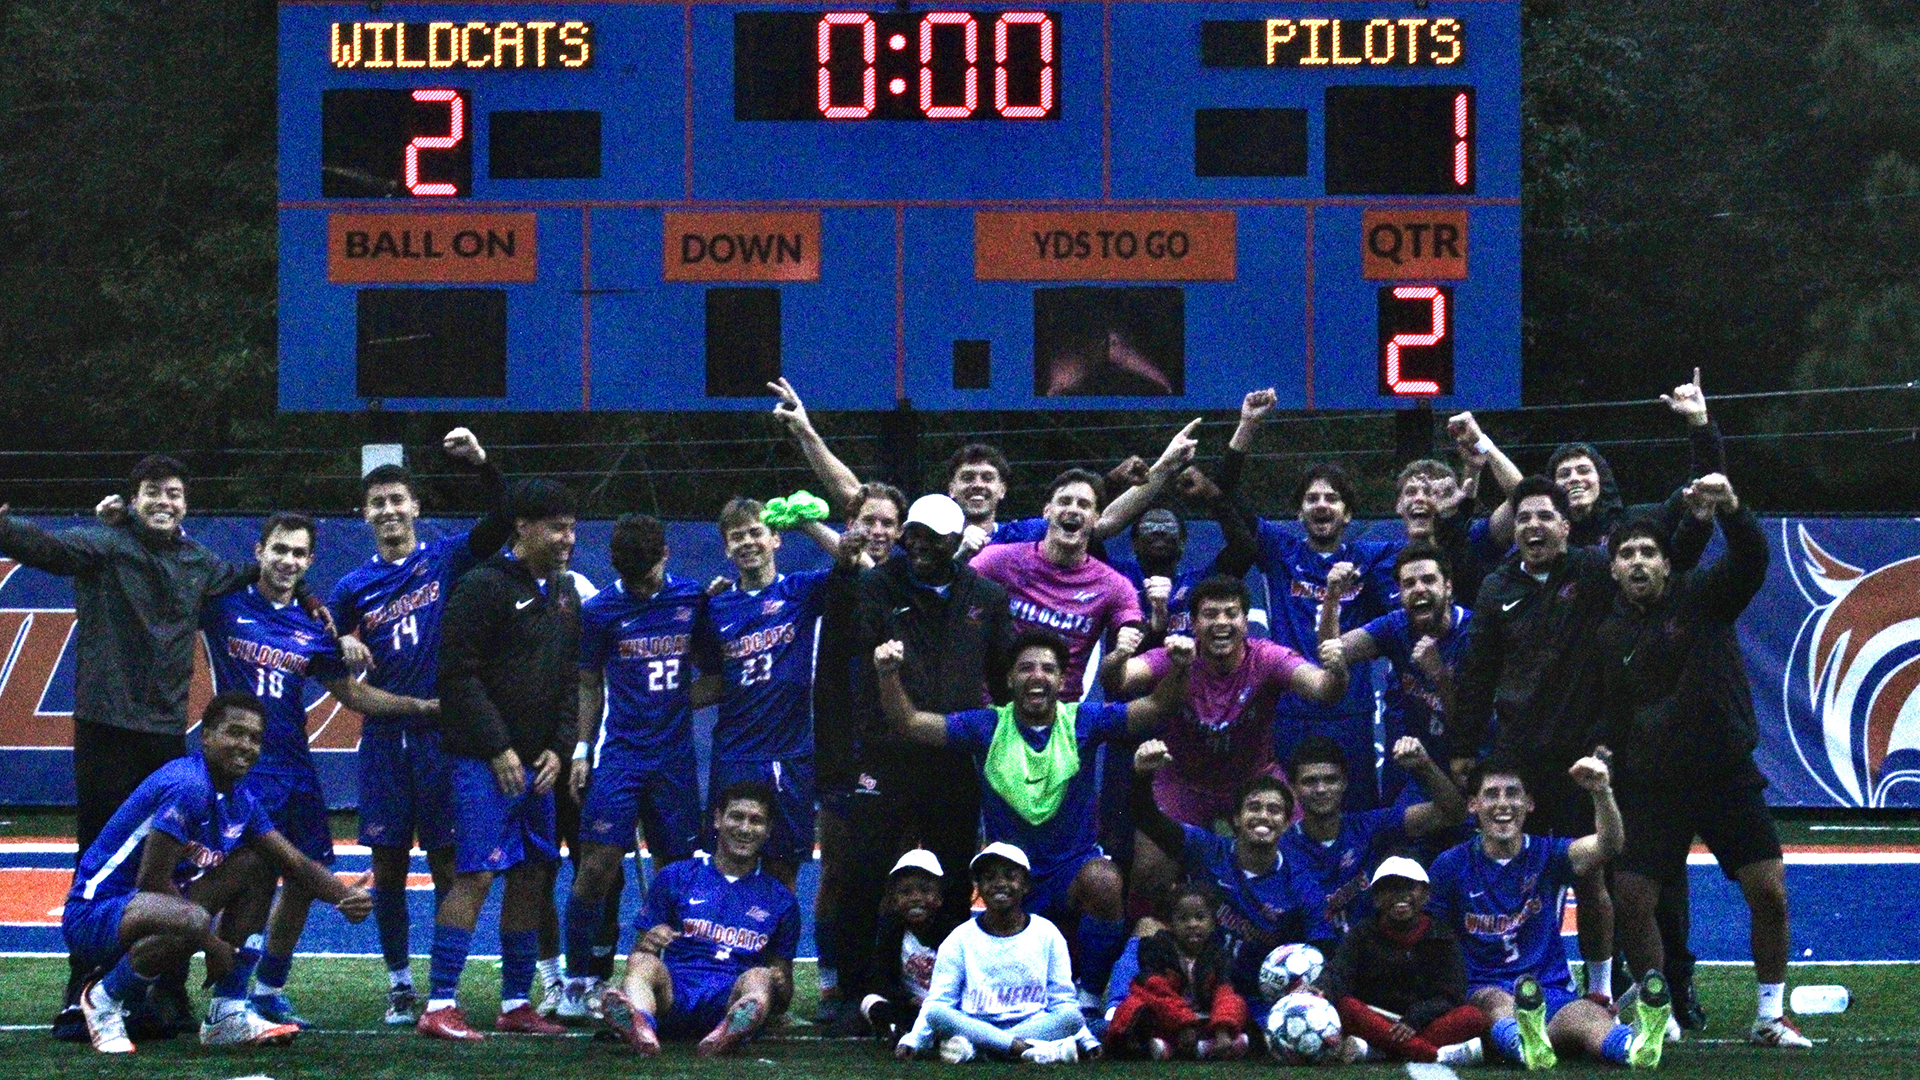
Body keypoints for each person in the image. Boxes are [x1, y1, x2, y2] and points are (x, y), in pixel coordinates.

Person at [0, 456, 288, 1036]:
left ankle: (161, 991)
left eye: (174, 493)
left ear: (187, 505)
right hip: (105, 727)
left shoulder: (199, 562)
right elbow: (46, 549)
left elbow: (257, 577)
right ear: (132, 499)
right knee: (101, 861)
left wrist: (309, 599)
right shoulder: (104, 545)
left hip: (165, 733)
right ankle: (81, 992)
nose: (165, 501)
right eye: (153, 491)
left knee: (173, 863)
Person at [1592, 477, 1810, 1048]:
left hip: (1723, 774)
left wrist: (1732, 508)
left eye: (1648, 552)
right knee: (1632, 899)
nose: (1638, 562)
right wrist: (1602, 754)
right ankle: (1657, 1009)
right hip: (1653, 783)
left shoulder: (1703, 597)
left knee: (1769, 891)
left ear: (1668, 564)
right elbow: (1614, 711)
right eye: (1626, 554)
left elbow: (1752, 560)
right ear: (1613, 569)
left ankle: (1769, 1015)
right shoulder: (1610, 633)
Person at [200, 512, 439, 1029]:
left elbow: (351, 693)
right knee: (249, 881)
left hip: (295, 766)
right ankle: (227, 995)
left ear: (309, 561)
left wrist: (418, 707)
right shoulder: (222, 606)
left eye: (298, 553)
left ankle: (268, 989)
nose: (287, 561)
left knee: (304, 879)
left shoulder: (314, 627)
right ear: (259, 551)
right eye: (279, 549)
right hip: (245, 769)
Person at [875, 630, 1193, 1001]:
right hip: (1010, 878)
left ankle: (1090, 997)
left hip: (1070, 875)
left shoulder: (1083, 721)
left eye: (1048, 668)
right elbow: (910, 723)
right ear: (1010, 679)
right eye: (1026, 668)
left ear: (1062, 680)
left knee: (1105, 880)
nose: (1037, 676)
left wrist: (1180, 667)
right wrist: (887, 673)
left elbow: (1155, 707)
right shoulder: (987, 726)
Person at [63, 692, 373, 1053]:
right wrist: (212, 944)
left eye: (254, 738)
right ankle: (103, 999)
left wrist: (345, 896)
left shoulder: (241, 799)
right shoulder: (188, 785)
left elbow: (295, 862)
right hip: (96, 911)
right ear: (207, 736)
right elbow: (152, 881)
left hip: (154, 908)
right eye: (235, 733)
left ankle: (227, 1012)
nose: (245, 745)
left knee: (259, 865)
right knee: (192, 919)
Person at [326, 427, 510, 1023]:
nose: (388, 511)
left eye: (397, 500)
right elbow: (333, 653)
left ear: (416, 507)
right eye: (377, 503)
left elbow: (504, 521)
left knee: (447, 862)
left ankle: (441, 984)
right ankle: (399, 982)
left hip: (443, 737)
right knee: (387, 865)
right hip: (386, 740)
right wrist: (344, 637)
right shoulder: (351, 587)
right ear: (364, 515)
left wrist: (482, 465)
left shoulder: (445, 557)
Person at [838, 494, 1015, 1023]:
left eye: (931, 537)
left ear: (956, 541)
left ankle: (948, 987)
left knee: (955, 873)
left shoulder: (986, 595)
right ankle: (859, 991)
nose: (917, 545)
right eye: (912, 533)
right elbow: (855, 645)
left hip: (952, 755)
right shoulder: (878, 585)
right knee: (866, 868)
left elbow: (1002, 674)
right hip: (886, 753)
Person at [418, 479, 581, 1041]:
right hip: (483, 762)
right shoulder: (481, 585)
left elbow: (569, 680)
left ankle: (515, 1003)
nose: (568, 539)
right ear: (523, 528)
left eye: (572, 528)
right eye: (557, 528)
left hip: (539, 766)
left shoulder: (565, 591)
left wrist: (560, 748)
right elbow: (457, 675)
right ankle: (439, 1003)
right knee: (478, 872)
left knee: (533, 875)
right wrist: (497, 747)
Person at [1452, 476, 1622, 1004]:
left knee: (1590, 879)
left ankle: (1599, 992)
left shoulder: (1594, 571)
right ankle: (1524, 978)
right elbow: (1477, 672)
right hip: (1518, 756)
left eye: (1545, 516)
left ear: (1566, 527)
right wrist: (1463, 747)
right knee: (1516, 873)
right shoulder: (1496, 587)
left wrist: (1606, 738)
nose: (1533, 526)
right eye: (1523, 517)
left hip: (1580, 755)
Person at [560, 513, 724, 1017]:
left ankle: (669, 973)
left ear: (666, 556)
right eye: (632, 578)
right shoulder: (600, 610)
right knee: (596, 867)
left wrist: (675, 704)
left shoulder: (691, 599)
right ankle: (578, 979)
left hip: (674, 759)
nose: (641, 586)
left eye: (648, 575)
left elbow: (717, 676)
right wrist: (582, 749)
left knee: (675, 871)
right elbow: (589, 683)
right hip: (621, 755)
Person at [1217, 391, 1399, 809]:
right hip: (1289, 709)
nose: (1322, 505)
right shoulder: (1279, 551)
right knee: (1287, 815)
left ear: (1348, 514)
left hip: (1350, 712)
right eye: (1312, 499)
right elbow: (1224, 491)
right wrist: (1247, 426)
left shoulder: (1373, 558)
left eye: (1332, 498)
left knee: (1355, 816)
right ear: (1299, 513)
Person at [1427, 756, 1669, 1070]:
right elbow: (1433, 938)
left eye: (1513, 793)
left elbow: (1608, 845)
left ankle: (1634, 1047)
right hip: (1484, 985)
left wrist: (1601, 791)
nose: (1503, 803)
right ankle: (1524, 1044)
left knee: (1587, 1015)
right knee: (1495, 1003)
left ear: (1529, 803)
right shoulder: (1450, 865)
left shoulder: (1548, 853)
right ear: (1473, 805)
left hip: (1549, 989)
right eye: (1492, 794)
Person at [1104, 575, 1348, 830]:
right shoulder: (1176, 656)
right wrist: (1120, 654)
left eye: (1231, 613)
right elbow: (1117, 680)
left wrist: (1338, 671)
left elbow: (1324, 690)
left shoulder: (1267, 658)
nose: (1221, 622)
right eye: (1210, 614)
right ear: (1194, 624)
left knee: (1294, 845)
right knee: (1152, 853)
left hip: (1256, 779)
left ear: (1245, 622)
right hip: (1182, 782)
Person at [706, 495, 862, 889]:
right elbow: (703, 670)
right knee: (728, 863)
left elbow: (854, 563)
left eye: (755, 532)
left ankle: (778, 933)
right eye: (736, 537)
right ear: (725, 548)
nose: (747, 542)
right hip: (736, 752)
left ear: (776, 538)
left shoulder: (801, 590)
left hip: (791, 753)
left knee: (783, 868)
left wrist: (807, 524)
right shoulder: (715, 607)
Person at [599, 781, 801, 1057]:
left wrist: (779, 981)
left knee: (760, 977)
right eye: (737, 817)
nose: (745, 828)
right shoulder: (675, 876)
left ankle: (728, 1033)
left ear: (768, 830)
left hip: (732, 998)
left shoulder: (781, 900)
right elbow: (639, 954)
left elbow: (783, 996)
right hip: (673, 993)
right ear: (717, 819)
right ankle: (641, 1026)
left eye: (756, 821)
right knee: (642, 962)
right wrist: (649, 942)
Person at [1128, 740, 1321, 1016]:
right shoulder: (1207, 849)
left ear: (1287, 823)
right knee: (1147, 927)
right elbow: (1148, 819)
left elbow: (1323, 944)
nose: (1263, 816)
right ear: (1236, 819)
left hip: (1255, 996)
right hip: (1194, 979)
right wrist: (1142, 776)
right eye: (1254, 807)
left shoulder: (1300, 882)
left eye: (1274, 810)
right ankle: (1115, 1012)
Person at [894, 843, 1092, 1064]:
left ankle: (984, 1050)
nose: (1000, 883)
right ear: (978, 887)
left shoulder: (1047, 933)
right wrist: (913, 1040)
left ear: (1025, 885)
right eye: (989, 878)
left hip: (1032, 1024)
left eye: (1010, 876)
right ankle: (1025, 1049)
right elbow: (940, 1000)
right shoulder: (959, 938)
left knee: (1072, 1017)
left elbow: (1063, 1000)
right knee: (936, 1012)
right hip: (976, 1024)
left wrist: (1087, 1040)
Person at [970, 469, 1148, 695]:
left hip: (1063, 706)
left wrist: (1122, 652)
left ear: (1096, 518)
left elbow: (1116, 680)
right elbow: (950, 592)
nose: (1073, 509)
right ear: (1047, 511)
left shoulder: (1115, 586)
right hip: (996, 702)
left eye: (1084, 505)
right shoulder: (998, 560)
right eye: (1064, 501)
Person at [1280, 735, 1465, 945]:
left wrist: (1425, 766)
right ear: (1292, 788)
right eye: (1309, 781)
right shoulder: (1281, 848)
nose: (1321, 789)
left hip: (1372, 953)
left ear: (1344, 783)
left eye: (1330, 780)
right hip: (1307, 956)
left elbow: (1452, 814)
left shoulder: (1368, 827)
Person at [1331, 541, 1475, 805]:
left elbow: (1470, 727)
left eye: (1428, 580)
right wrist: (1332, 597)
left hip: (1475, 761)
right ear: (1399, 592)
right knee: (1397, 826)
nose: (1419, 589)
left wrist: (1439, 675)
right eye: (1409, 584)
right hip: (1423, 766)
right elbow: (1332, 651)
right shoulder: (1396, 626)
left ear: (1448, 587)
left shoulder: (1475, 632)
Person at [1316, 857, 1487, 1065]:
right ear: (1377, 898)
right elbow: (1339, 973)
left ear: (1425, 895)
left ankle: (1380, 1053)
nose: (1400, 895)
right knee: (1345, 1007)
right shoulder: (1362, 933)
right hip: (1376, 1019)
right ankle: (1433, 1055)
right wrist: (1320, 988)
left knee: (1473, 1017)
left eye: (1409, 887)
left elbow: (1451, 995)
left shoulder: (1442, 936)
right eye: (1391, 888)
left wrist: (1416, 1018)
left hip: (1422, 1023)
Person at [1103, 882, 1250, 1060]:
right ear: (1170, 924)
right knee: (1133, 1006)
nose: (1192, 924)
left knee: (1236, 1002)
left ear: (1212, 923)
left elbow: (1224, 993)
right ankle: (1171, 1046)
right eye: (1183, 919)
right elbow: (1157, 993)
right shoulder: (1156, 949)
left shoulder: (1218, 954)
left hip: (1202, 1018)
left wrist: (1222, 1029)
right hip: (1167, 1018)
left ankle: (1208, 1044)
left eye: (1200, 917)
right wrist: (1183, 1023)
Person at [858, 849, 967, 1044]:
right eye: (905, 892)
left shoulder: (955, 932)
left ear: (939, 898)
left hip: (949, 1008)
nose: (916, 898)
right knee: (870, 1002)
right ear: (894, 900)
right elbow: (881, 979)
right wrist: (908, 999)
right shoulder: (892, 933)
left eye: (925, 891)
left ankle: (917, 1033)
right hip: (913, 1007)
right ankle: (909, 1030)